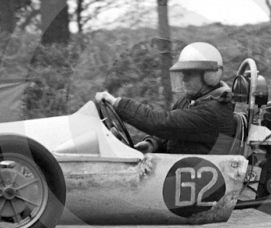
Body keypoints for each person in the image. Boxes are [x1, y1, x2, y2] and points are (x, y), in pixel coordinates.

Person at [95, 42, 238, 155]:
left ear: (209, 75)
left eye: (190, 73)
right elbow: (173, 130)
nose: (183, 78)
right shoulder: (190, 100)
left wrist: (117, 103)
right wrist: (152, 144)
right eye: (182, 73)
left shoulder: (212, 112)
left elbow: (162, 123)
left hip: (193, 182)